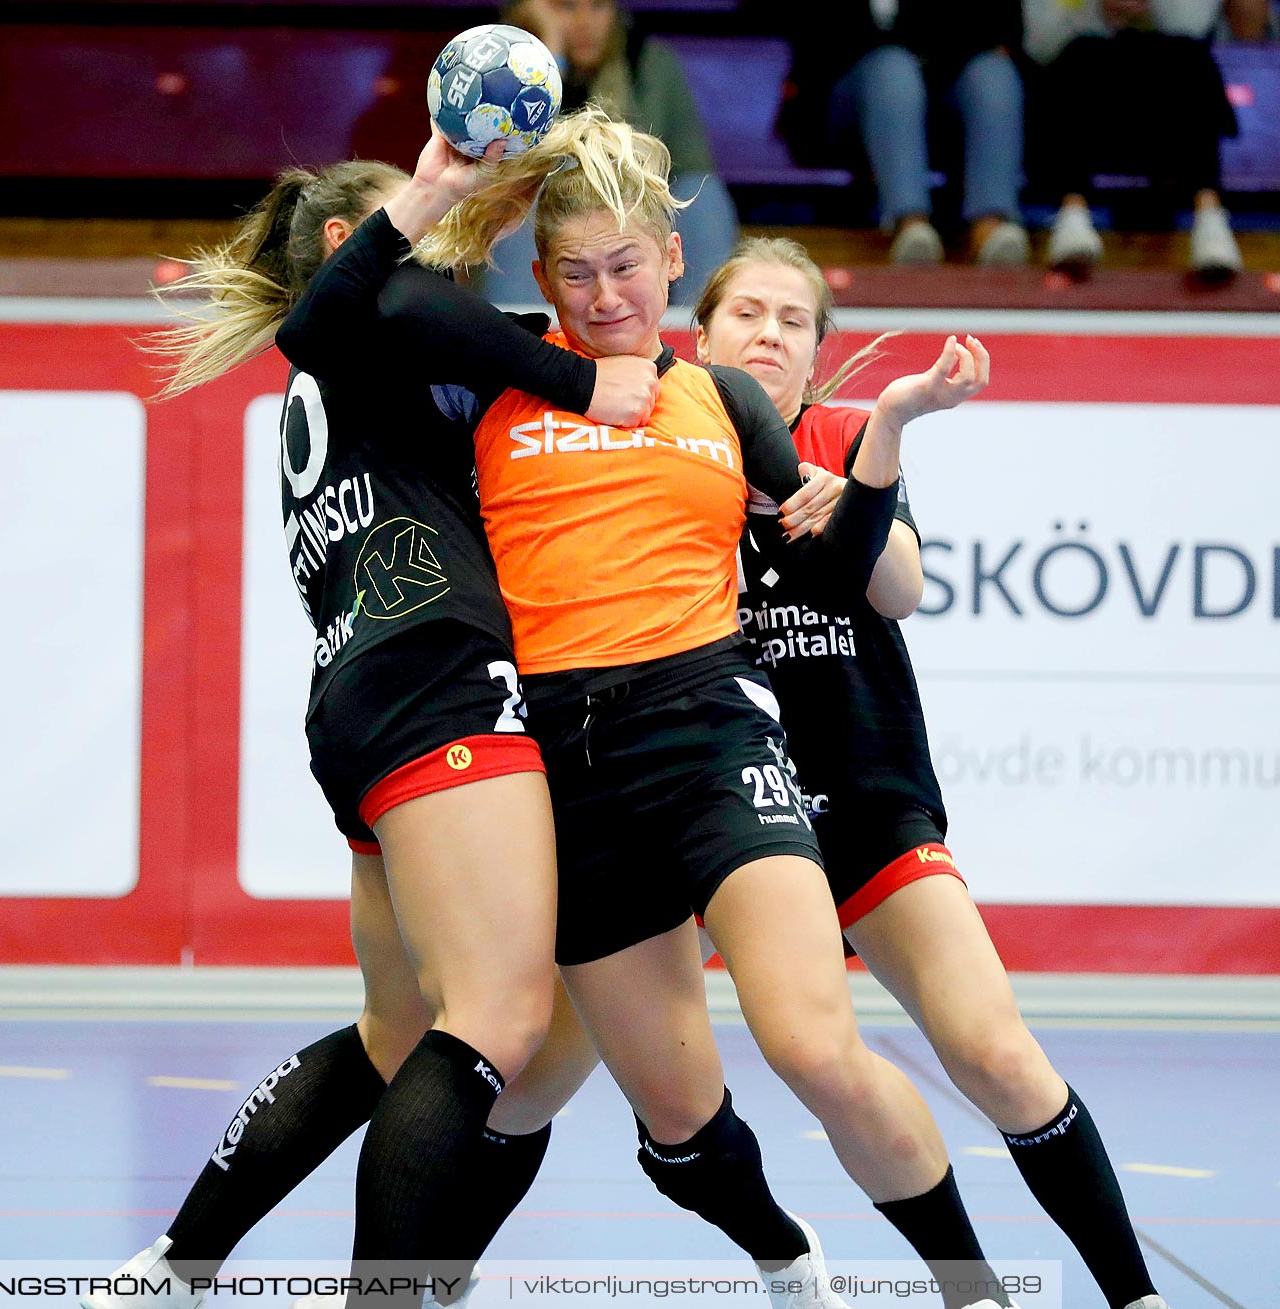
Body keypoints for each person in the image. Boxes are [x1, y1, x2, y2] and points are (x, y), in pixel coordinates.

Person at [407, 107, 1019, 1309]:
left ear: (674, 263)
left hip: (714, 734)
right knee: (666, 1116)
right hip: (572, 770)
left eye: (628, 267)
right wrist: (448, 192)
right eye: (573, 273)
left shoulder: (729, 405)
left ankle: (972, 1290)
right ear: (541, 278)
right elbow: (360, 318)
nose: (603, 297)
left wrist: (883, 447)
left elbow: (862, 579)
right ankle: (466, 1279)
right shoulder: (497, 377)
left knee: (813, 1044)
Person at [84, 127, 662, 1309]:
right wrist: (571, 362)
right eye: (418, 209)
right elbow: (437, 322)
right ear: (356, 241)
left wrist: (558, 181)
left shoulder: (379, 350)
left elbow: (516, 330)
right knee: (498, 1017)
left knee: (398, 1030)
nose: (446, 227)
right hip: (437, 682)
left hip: (361, 702)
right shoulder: (362, 321)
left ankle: (175, 1266)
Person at [469, 0, 739, 306]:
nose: (585, 22)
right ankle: (522, 329)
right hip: (550, 213)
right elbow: (515, 162)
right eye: (567, 8)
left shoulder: (650, 64)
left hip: (636, 210)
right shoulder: (501, 74)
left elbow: (693, 168)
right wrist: (549, 56)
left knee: (703, 196)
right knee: (525, 194)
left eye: (597, 7)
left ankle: (697, 328)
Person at [1022, 0, 1268, 277]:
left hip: (1164, 92)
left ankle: (1210, 220)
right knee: (1080, 56)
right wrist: (1097, 9)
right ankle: (1072, 216)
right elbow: (1039, 44)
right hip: (1089, 88)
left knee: (1189, 58)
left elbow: (1191, 26)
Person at [777, 0, 1031, 266]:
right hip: (849, 99)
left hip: (944, 92)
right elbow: (821, 43)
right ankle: (910, 224)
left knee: (993, 74)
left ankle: (990, 227)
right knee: (893, 68)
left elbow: (998, 30)